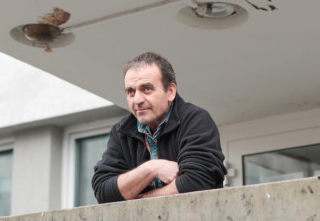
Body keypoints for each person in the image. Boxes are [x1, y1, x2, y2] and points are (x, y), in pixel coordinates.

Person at [91, 52, 226, 203]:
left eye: (147, 89)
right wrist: (151, 168)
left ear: (170, 92)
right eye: (131, 91)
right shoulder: (121, 131)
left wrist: (139, 199)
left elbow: (197, 182)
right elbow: (103, 191)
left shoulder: (195, 120)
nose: (137, 100)